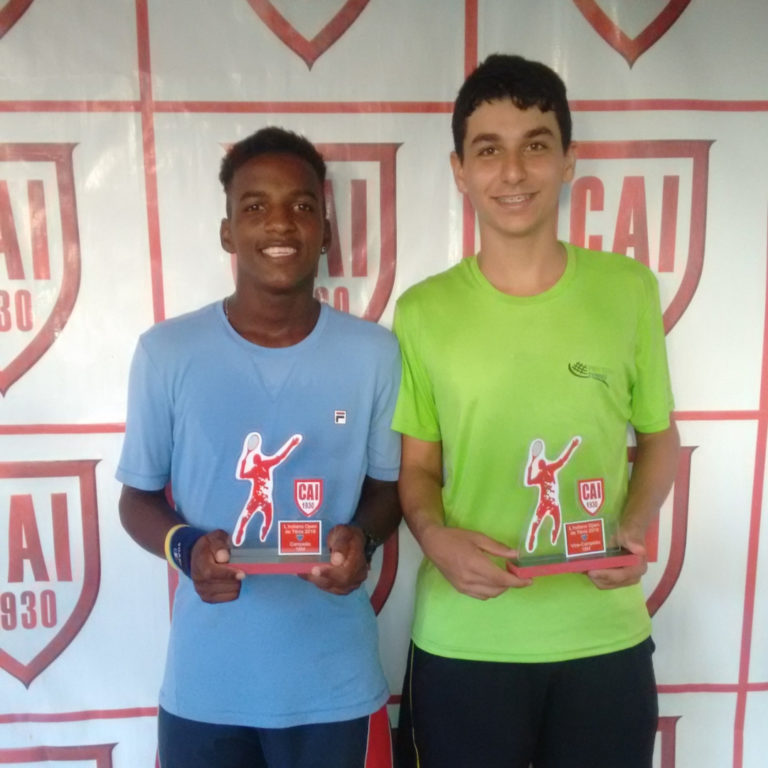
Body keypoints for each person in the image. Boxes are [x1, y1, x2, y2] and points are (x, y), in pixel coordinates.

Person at [392, 54, 680, 768]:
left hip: (602, 636)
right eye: (489, 150)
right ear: (460, 170)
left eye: (536, 145)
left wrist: (634, 525)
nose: (513, 172)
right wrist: (434, 536)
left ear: (569, 159)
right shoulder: (423, 311)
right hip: (467, 637)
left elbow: (659, 438)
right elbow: (418, 468)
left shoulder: (628, 289)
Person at [116, 126, 402, 768]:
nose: (280, 223)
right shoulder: (167, 352)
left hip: (335, 688)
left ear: (325, 231)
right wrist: (186, 548)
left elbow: (388, 490)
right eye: (255, 206)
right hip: (206, 689)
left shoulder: (374, 354)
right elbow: (137, 500)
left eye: (302, 205)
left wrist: (363, 540)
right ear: (228, 232)